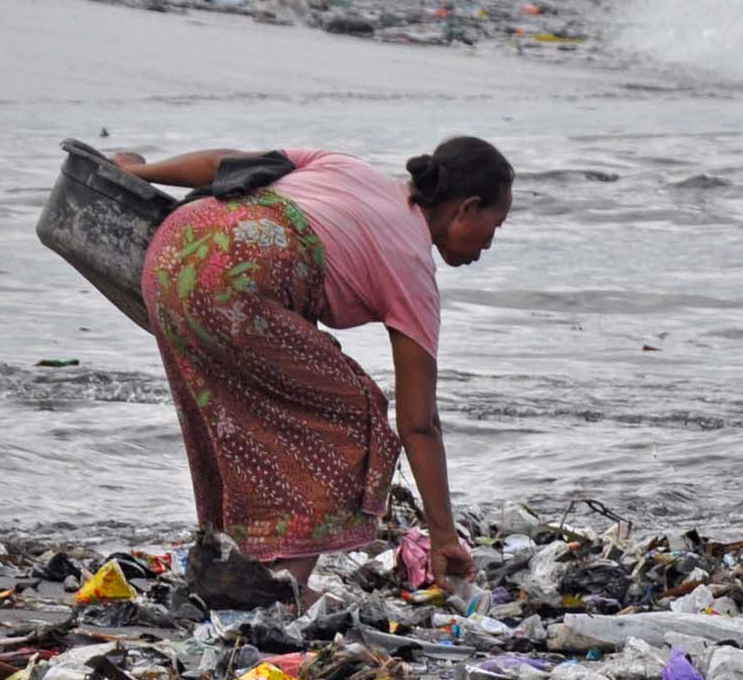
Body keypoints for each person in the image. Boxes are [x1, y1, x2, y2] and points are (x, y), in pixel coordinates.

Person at [109, 137, 512, 594]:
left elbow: (224, 165)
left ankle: (226, 560)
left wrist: (138, 173)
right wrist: (443, 537)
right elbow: (419, 424)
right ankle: (281, 588)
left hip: (170, 250)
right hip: (235, 280)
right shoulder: (412, 271)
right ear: (467, 208)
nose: (490, 242)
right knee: (356, 420)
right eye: (495, 225)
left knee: (229, 417)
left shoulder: (349, 168)